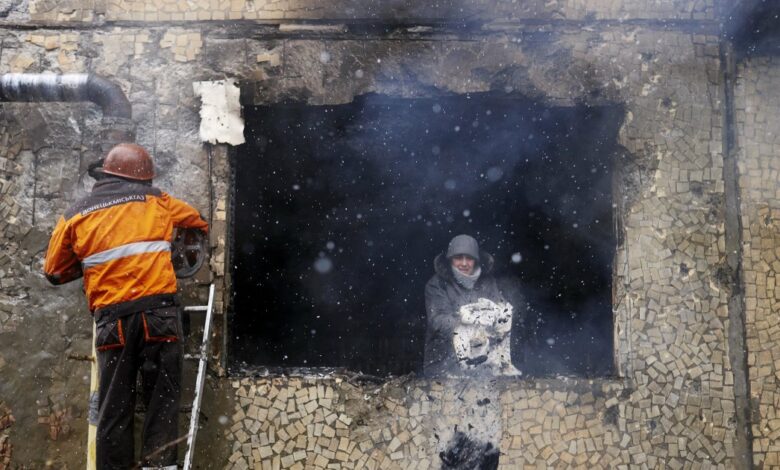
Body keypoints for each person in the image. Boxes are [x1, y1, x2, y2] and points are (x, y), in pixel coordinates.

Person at [43, 143, 209, 469]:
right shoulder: (157, 200)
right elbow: (199, 222)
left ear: (105, 175)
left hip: (112, 321)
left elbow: (54, 272)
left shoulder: (75, 215)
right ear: (143, 180)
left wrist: (92, 263)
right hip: (159, 315)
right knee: (161, 401)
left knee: (113, 409)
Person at [424, 234, 525, 377]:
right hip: (443, 363)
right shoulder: (437, 284)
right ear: (449, 260)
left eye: (469, 258)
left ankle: (501, 365)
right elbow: (437, 320)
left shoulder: (487, 282)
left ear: (476, 260)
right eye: (458, 257)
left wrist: (498, 315)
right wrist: (468, 320)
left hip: (483, 360)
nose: (464, 263)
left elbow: (500, 311)